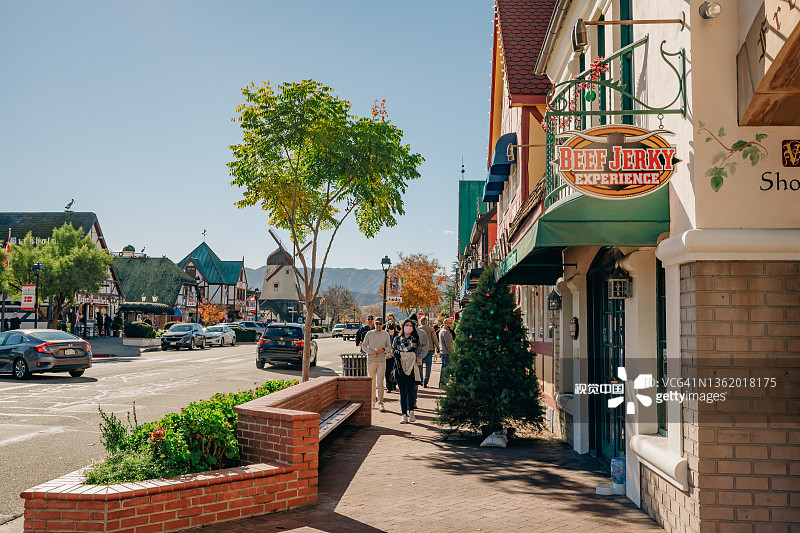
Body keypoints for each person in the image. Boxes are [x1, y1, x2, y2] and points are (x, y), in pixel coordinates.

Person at [392, 319, 422, 423]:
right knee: (402, 392)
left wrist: (404, 355)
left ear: (413, 328)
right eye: (406, 325)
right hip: (400, 368)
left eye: (410, 326)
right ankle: (403, 414)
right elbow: (393, 350)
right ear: (403, 327)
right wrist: (399, 354)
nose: (408, 327)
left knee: (410, 391)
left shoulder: (414, 339)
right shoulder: (397, 339)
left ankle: (411, 412)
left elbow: (417, 351)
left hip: (411, 368)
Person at [361, 317, 392, 412]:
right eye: (377, 323)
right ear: (374, 324)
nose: (378, 325)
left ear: (383, 325)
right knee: (372, 382)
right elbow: (363, 346)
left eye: (380, 324)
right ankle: (372, 400)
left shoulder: (385, 334)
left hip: (381, 360)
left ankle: (381, 403)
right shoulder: (369, 334)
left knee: (380, 382)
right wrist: (371, 352)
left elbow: (389, 347)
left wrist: (383, 349)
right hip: (371, 360)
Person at [407, 314, 428, 410]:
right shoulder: (406, 332)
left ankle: (414, 401)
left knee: (415, 383)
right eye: (411, 322)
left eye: (414, 322)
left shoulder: (422, 333)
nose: (413, 323)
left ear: (417, 322)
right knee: (407, 382)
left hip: (417, 362)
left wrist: (419, 357)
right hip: (406, 362)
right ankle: (408, 401)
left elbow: (425, 347)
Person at [417, 316, 438, 388]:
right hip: (429, 349)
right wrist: (438, 347)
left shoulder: (418, 329)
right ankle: (426, 381)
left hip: (420, 350)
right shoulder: (431, 329)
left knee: (420, 366)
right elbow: (434, 339)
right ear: (426, 322)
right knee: (428, 367)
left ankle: (421, 380)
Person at [439, 317, 455, 387]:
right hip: (446, 353)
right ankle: (443, 383)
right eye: (450, 323)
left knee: (445, 368)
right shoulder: (445, 332)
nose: (452, 324)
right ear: (446, 324)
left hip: (445, 352)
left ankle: (443, 383)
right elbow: (449, 344)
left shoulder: (444, 331)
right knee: (446, 369)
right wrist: (452, 352)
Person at [385, 322, 398, 393]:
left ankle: (394, 384)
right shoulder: (384, 334)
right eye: (389, 324)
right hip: (387, 356)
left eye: (392, 324)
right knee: (387, 371)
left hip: (395, 355)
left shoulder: (397, 334)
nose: (391, 325)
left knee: (395, 370)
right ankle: (388, 387)